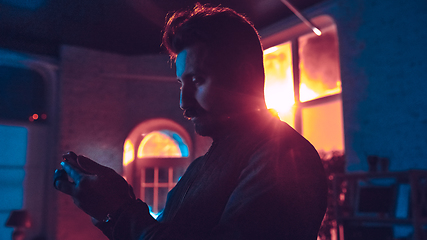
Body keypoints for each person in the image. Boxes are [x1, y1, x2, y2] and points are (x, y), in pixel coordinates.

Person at [54, 3, 327, 240]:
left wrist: (118, 211)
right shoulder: (204, 165)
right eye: (181, 83)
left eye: (197, 80)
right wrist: (115, 201)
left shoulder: (284, 158)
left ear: (245, 76)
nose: (184, 104)